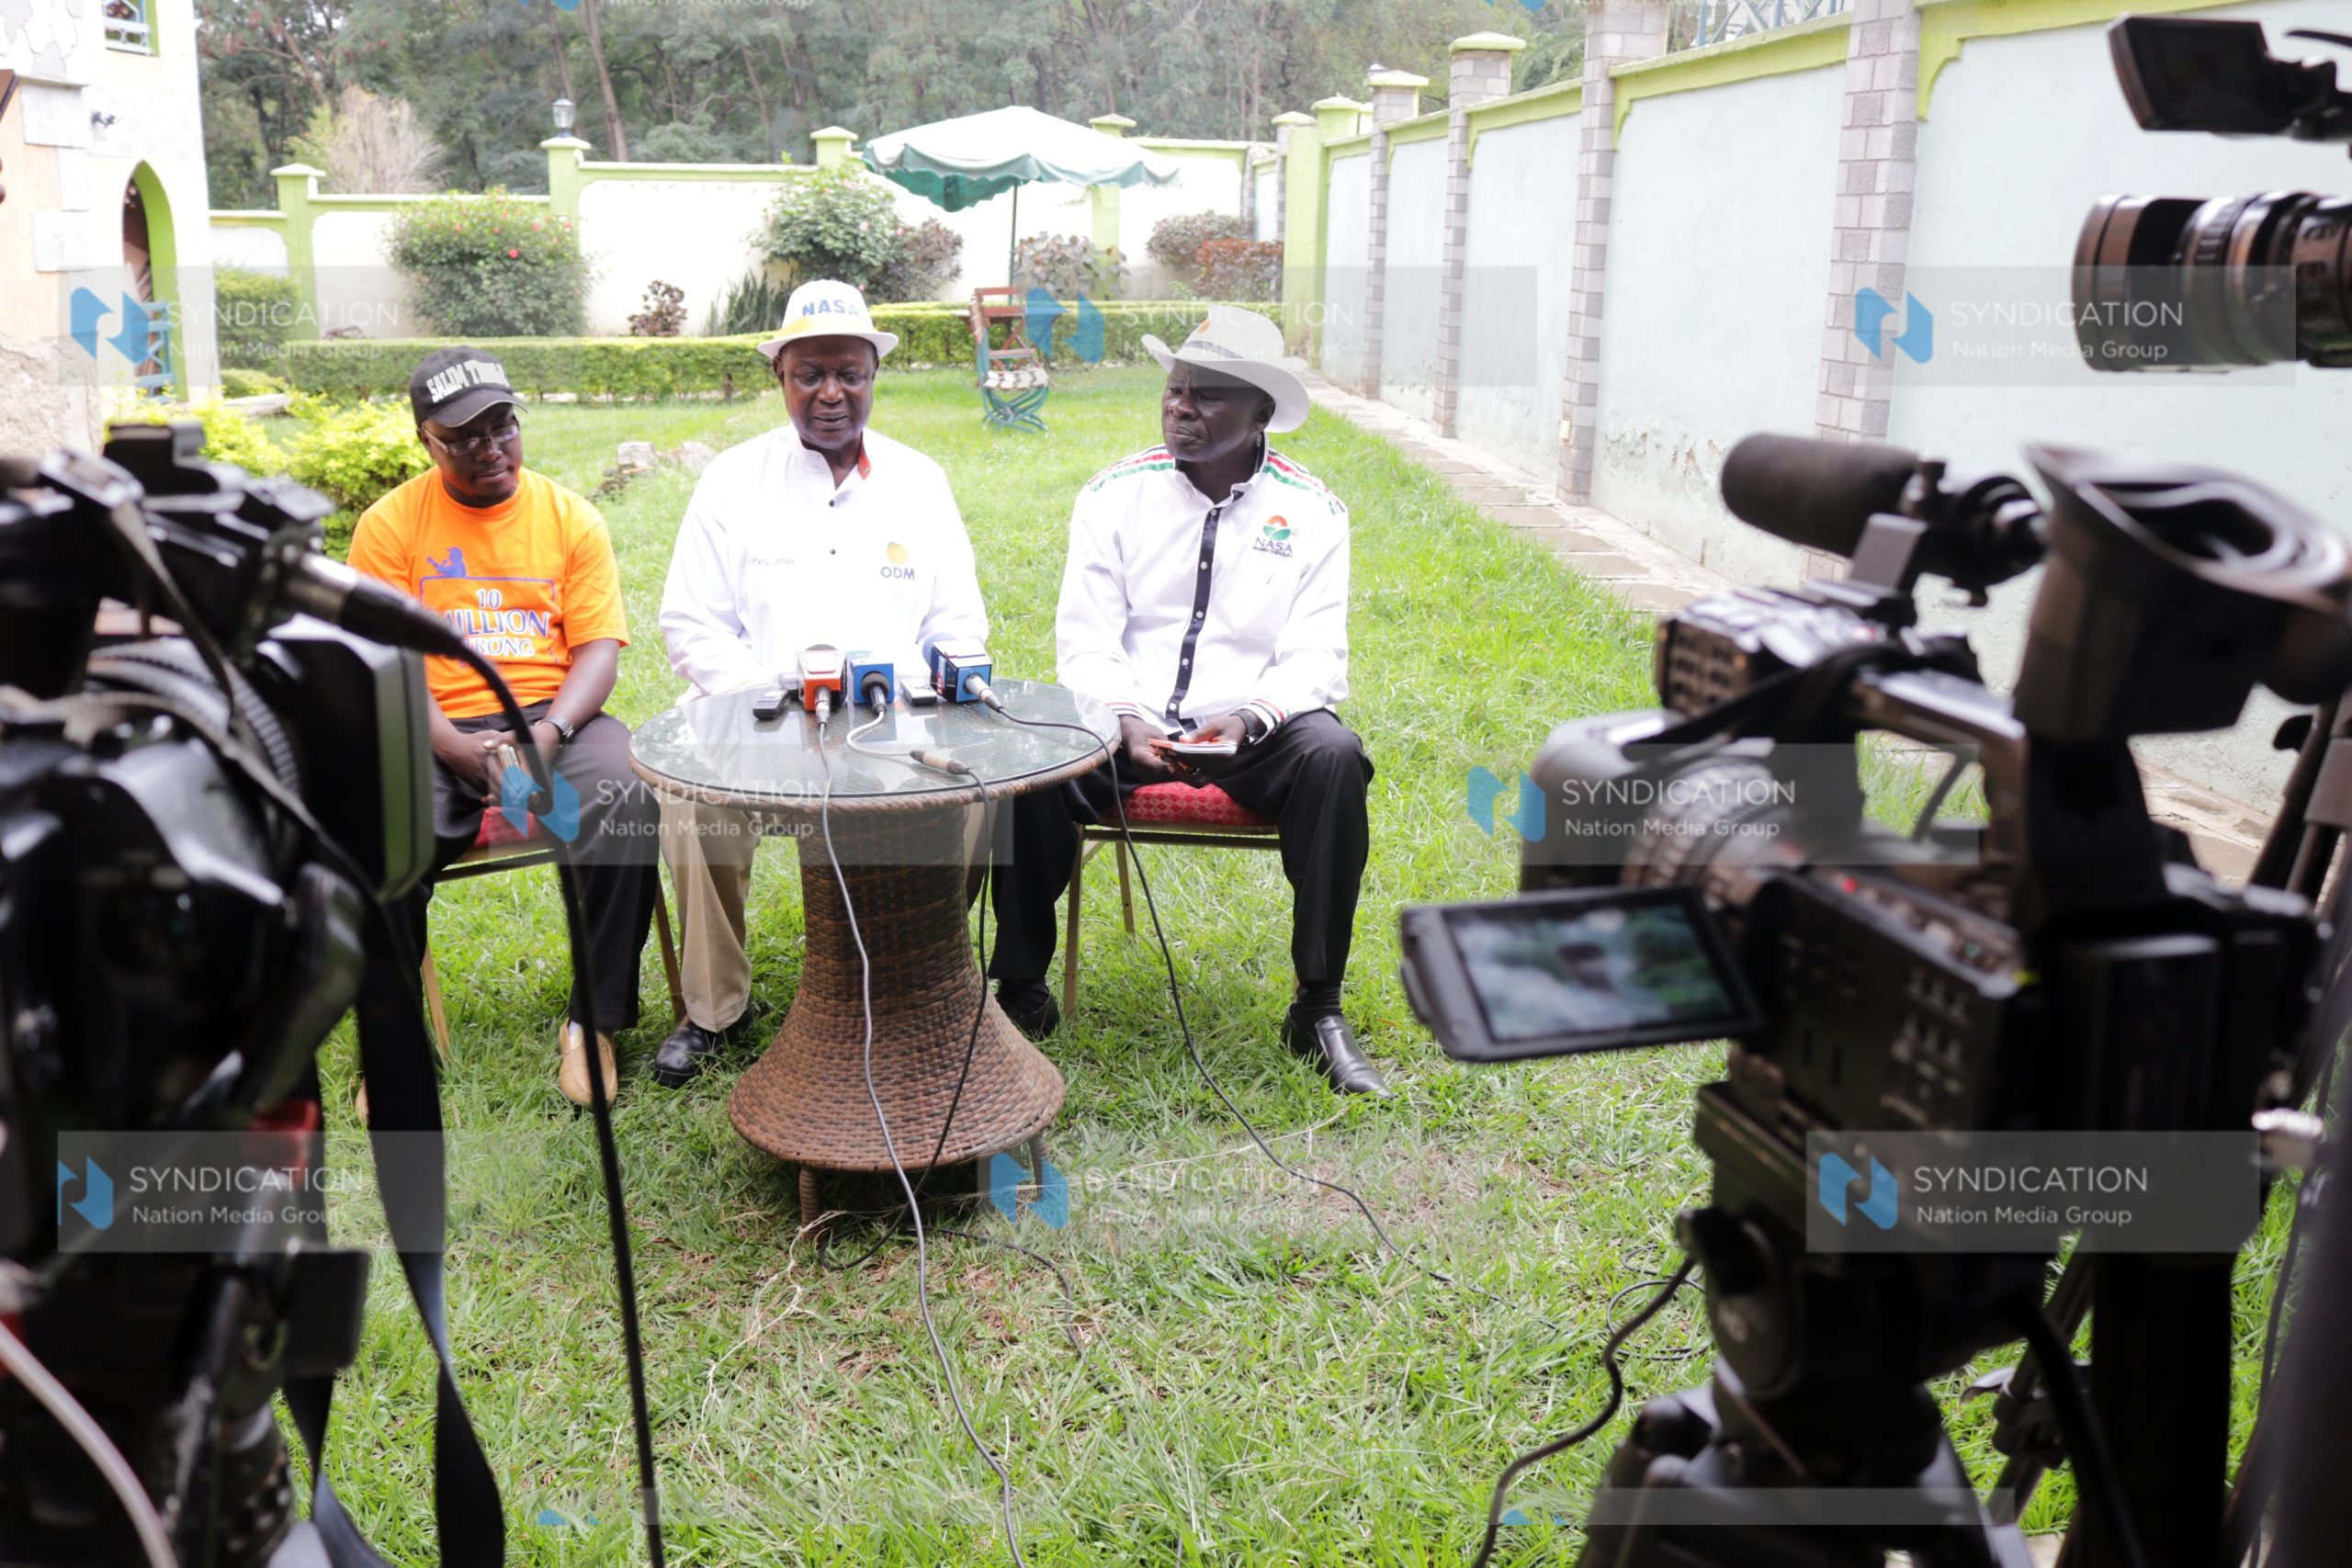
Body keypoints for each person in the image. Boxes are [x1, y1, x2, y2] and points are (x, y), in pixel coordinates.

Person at [988, 307, 1388, 1098]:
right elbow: (1087, 640)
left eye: (1208, 396)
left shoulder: (1314, 513)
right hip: (1122, 731)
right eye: (1176, 390)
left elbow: (1315, 654)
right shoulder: (1113, 496)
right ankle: (1018, 987)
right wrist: (1125, 717)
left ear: (1261, 412)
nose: (1181, 407)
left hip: (1252, 735)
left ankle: (1318, 1006)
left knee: (1335, 758)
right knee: (1031, 756)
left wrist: (1249, 720)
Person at [653, 279, 989, 1087]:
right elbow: (690, 625)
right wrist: (775, 701)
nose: (831, 392)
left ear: (874, 375)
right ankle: (713, 1009)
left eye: (850, 372)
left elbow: (960, 629)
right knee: (689, 800)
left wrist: (895, 695)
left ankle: (920, 971)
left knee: (985, 791)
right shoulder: (730, 483)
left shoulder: (921, 482)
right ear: (782, 379)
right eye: (810, 373)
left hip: (891, 721)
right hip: (757, 720)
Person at [349, 346, 658, 1108]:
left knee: (628, 795)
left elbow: (595, 651)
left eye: (503, 426)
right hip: (433, 725)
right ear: (428, 439)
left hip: (553, 722)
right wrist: (455, 747)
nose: (491, 447)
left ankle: (594, 1022)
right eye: (466, 436)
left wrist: (544, 737)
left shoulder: (568, 518)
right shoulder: (388, 527)